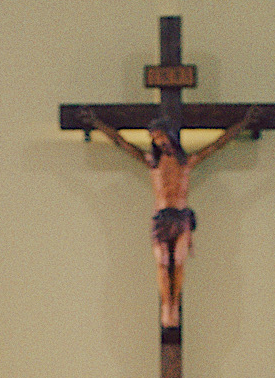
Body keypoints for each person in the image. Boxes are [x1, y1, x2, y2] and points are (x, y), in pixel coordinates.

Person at [83, 110, 255, 326]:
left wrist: (245, 122)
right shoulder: (151, 162)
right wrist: (97, 122)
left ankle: (174, 303)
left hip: (181, 217)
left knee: (180, 262)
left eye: (160, 136)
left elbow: (218, 144)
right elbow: (121, 142)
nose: (158, 141)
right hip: (161, 219)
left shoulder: (187, 162)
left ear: (170, 135)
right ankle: (168, 305)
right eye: (154, 138)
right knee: (163, 263)